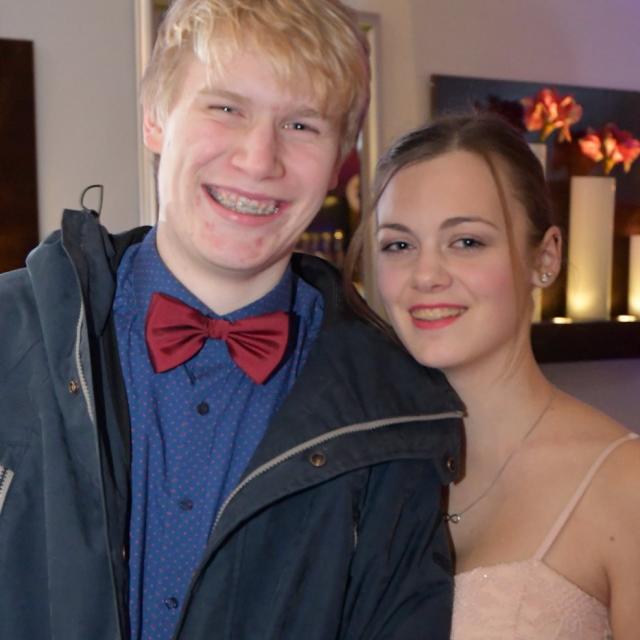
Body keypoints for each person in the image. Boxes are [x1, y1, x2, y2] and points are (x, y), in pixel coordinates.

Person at [0, 1, 465, 639]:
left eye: (301, 124)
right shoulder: (9, 334)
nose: (259, 159)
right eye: (226, 108)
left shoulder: (396, 411)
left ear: (340, 160)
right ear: (155, 117)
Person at [345, 113, 640, 639]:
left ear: (545, 257)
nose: (426, 276)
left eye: (466, 242)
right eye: (399, 245)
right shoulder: (358, 470)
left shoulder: (625, 484)